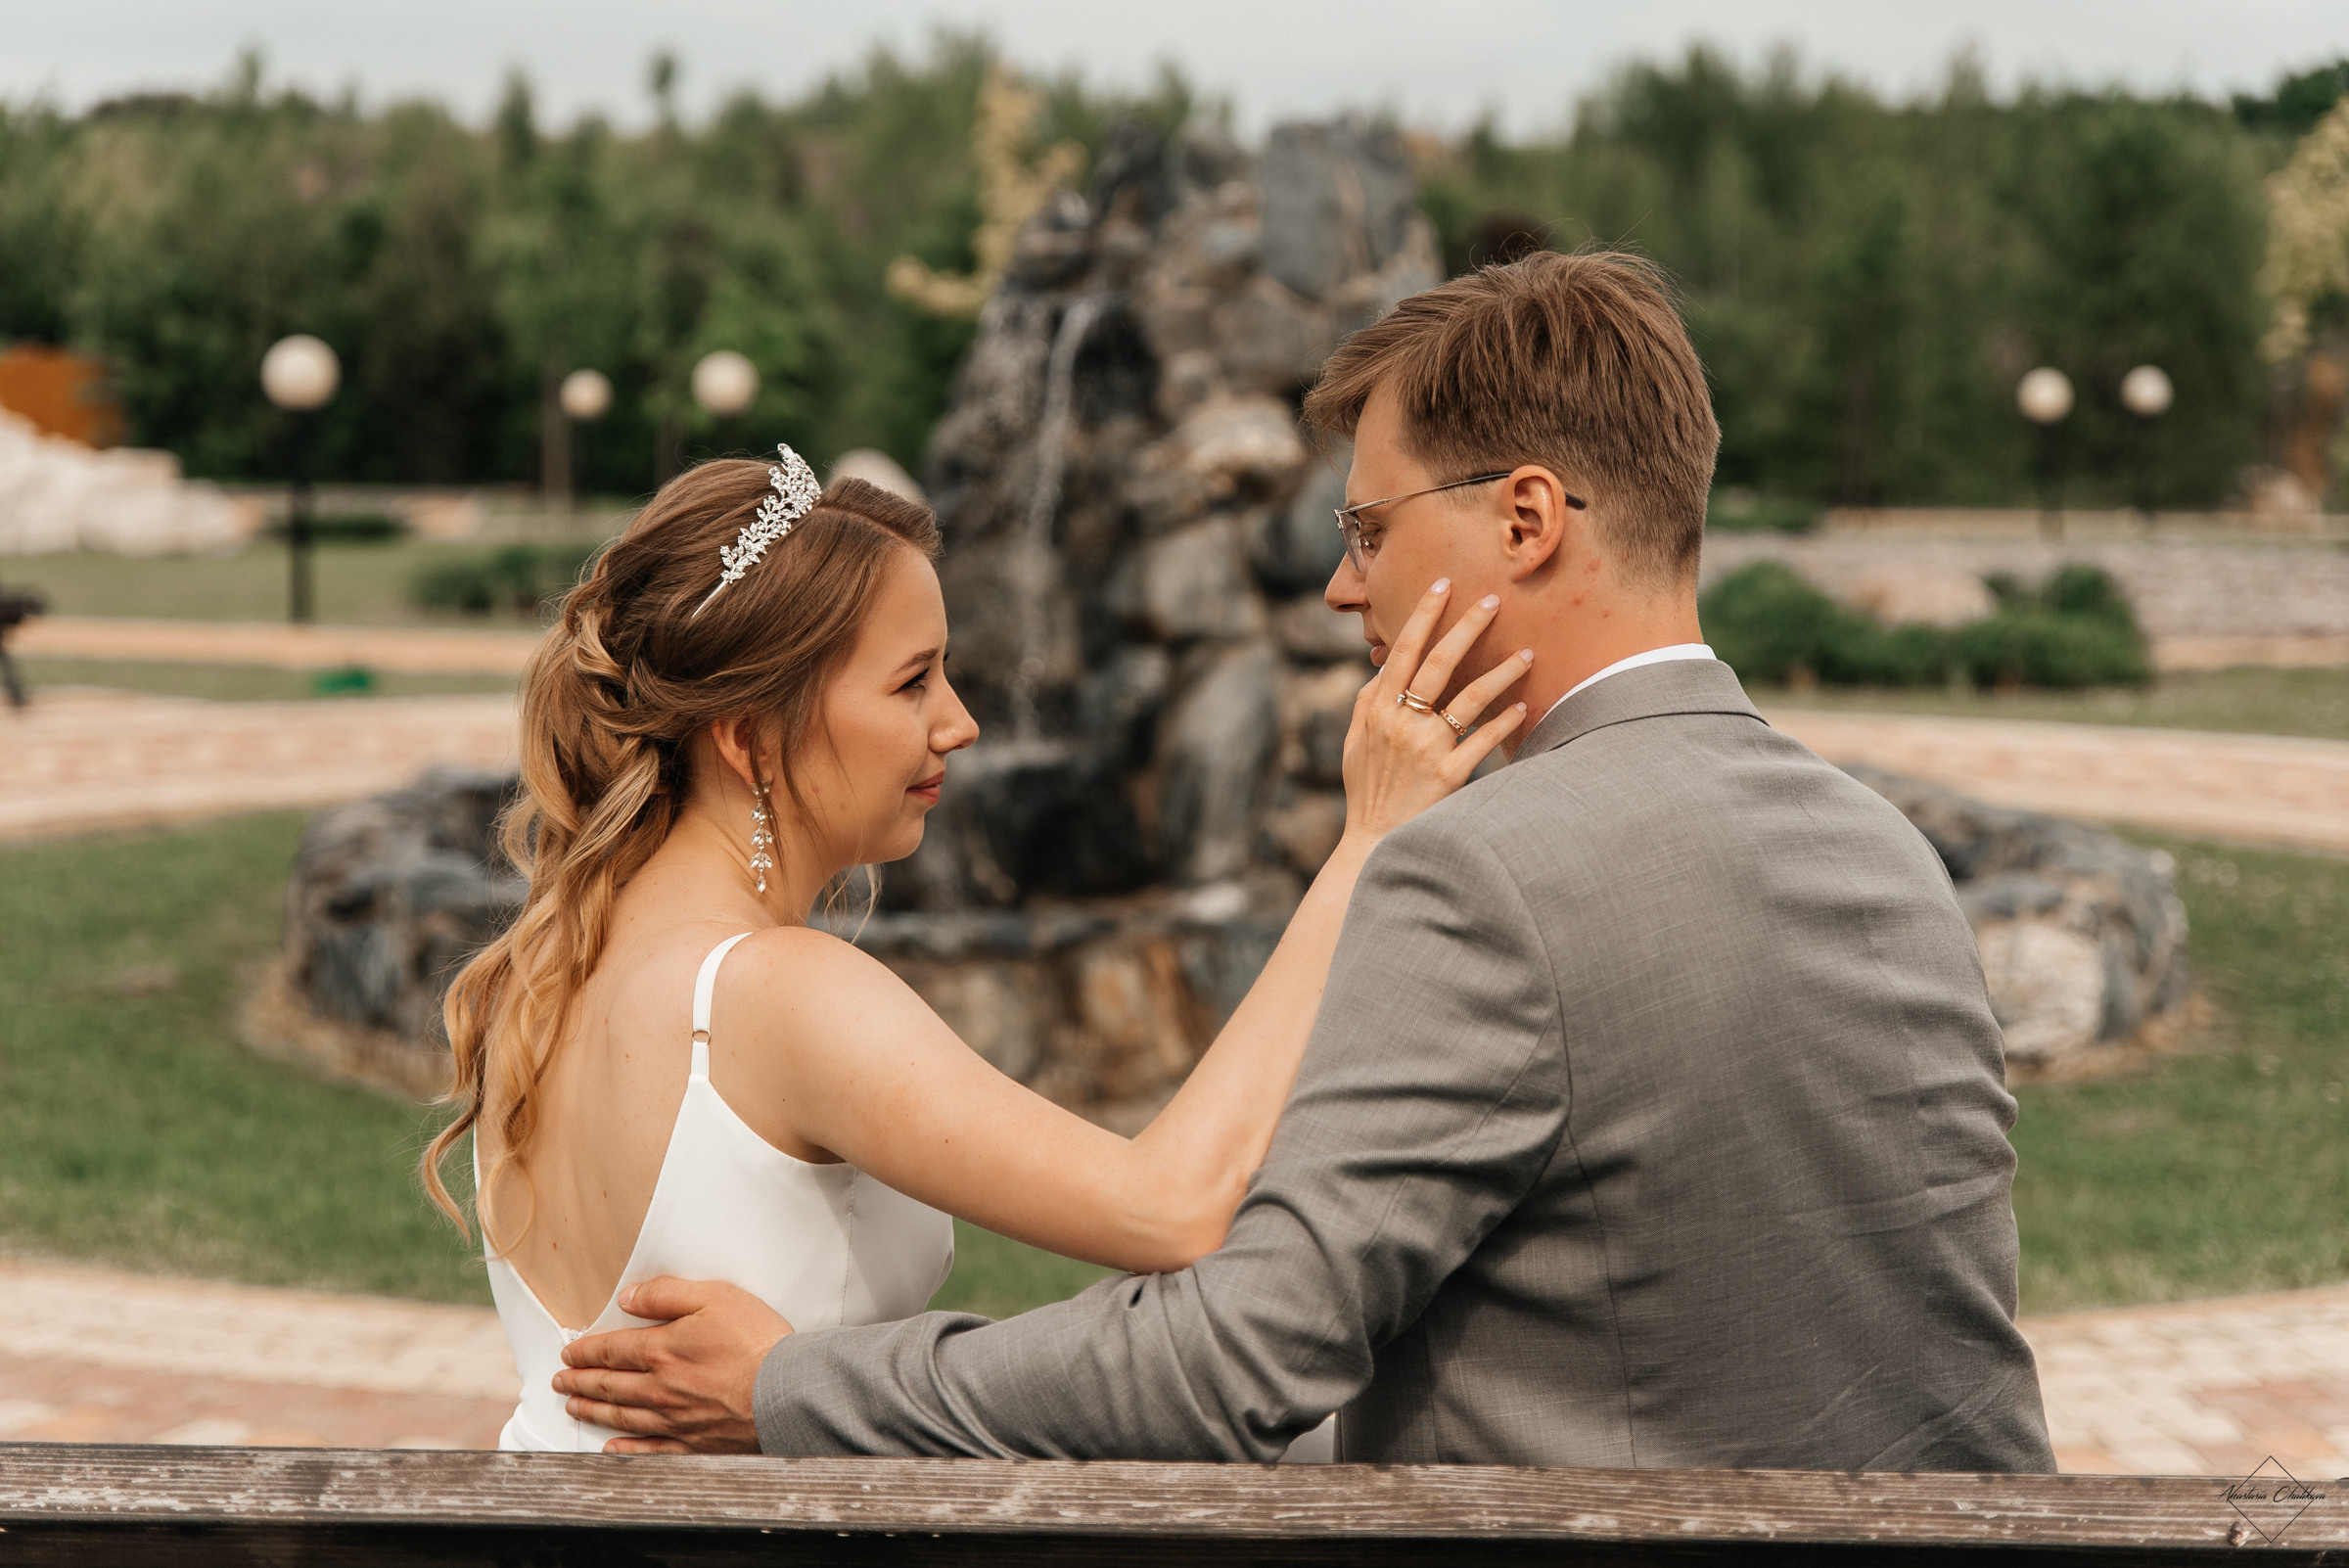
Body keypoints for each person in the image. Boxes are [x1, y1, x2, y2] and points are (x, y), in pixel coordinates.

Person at [555, 251, 2053, 1471]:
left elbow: (1232, 1363)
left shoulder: (1487, 875)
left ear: (1525, 519)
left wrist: (796, 1388)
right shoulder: (1891, 852)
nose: (1342, 586)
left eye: (1367, 526)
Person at [421, 446, 1528, 1453]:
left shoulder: (541, 978)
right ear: (749, 734)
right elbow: (1174, 1208)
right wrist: (1369, 840)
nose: (961, 723)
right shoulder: (774, 996)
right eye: (913, 683)